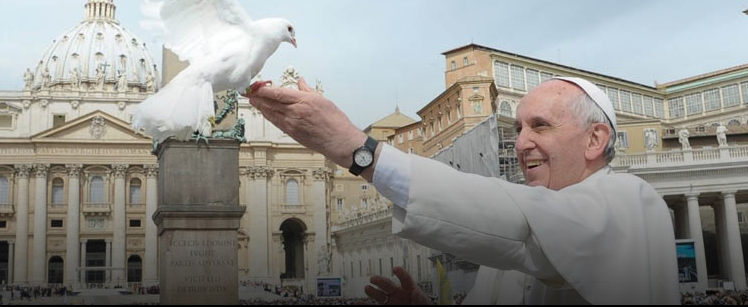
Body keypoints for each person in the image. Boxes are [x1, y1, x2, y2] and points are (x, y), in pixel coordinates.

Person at [247, 76, 679, 304]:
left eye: (541, 126)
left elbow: (526, 221)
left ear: (594, 140)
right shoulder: (505, 255)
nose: (522, 141)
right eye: (519, 128)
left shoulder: (634, 204)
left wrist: (359, 151)